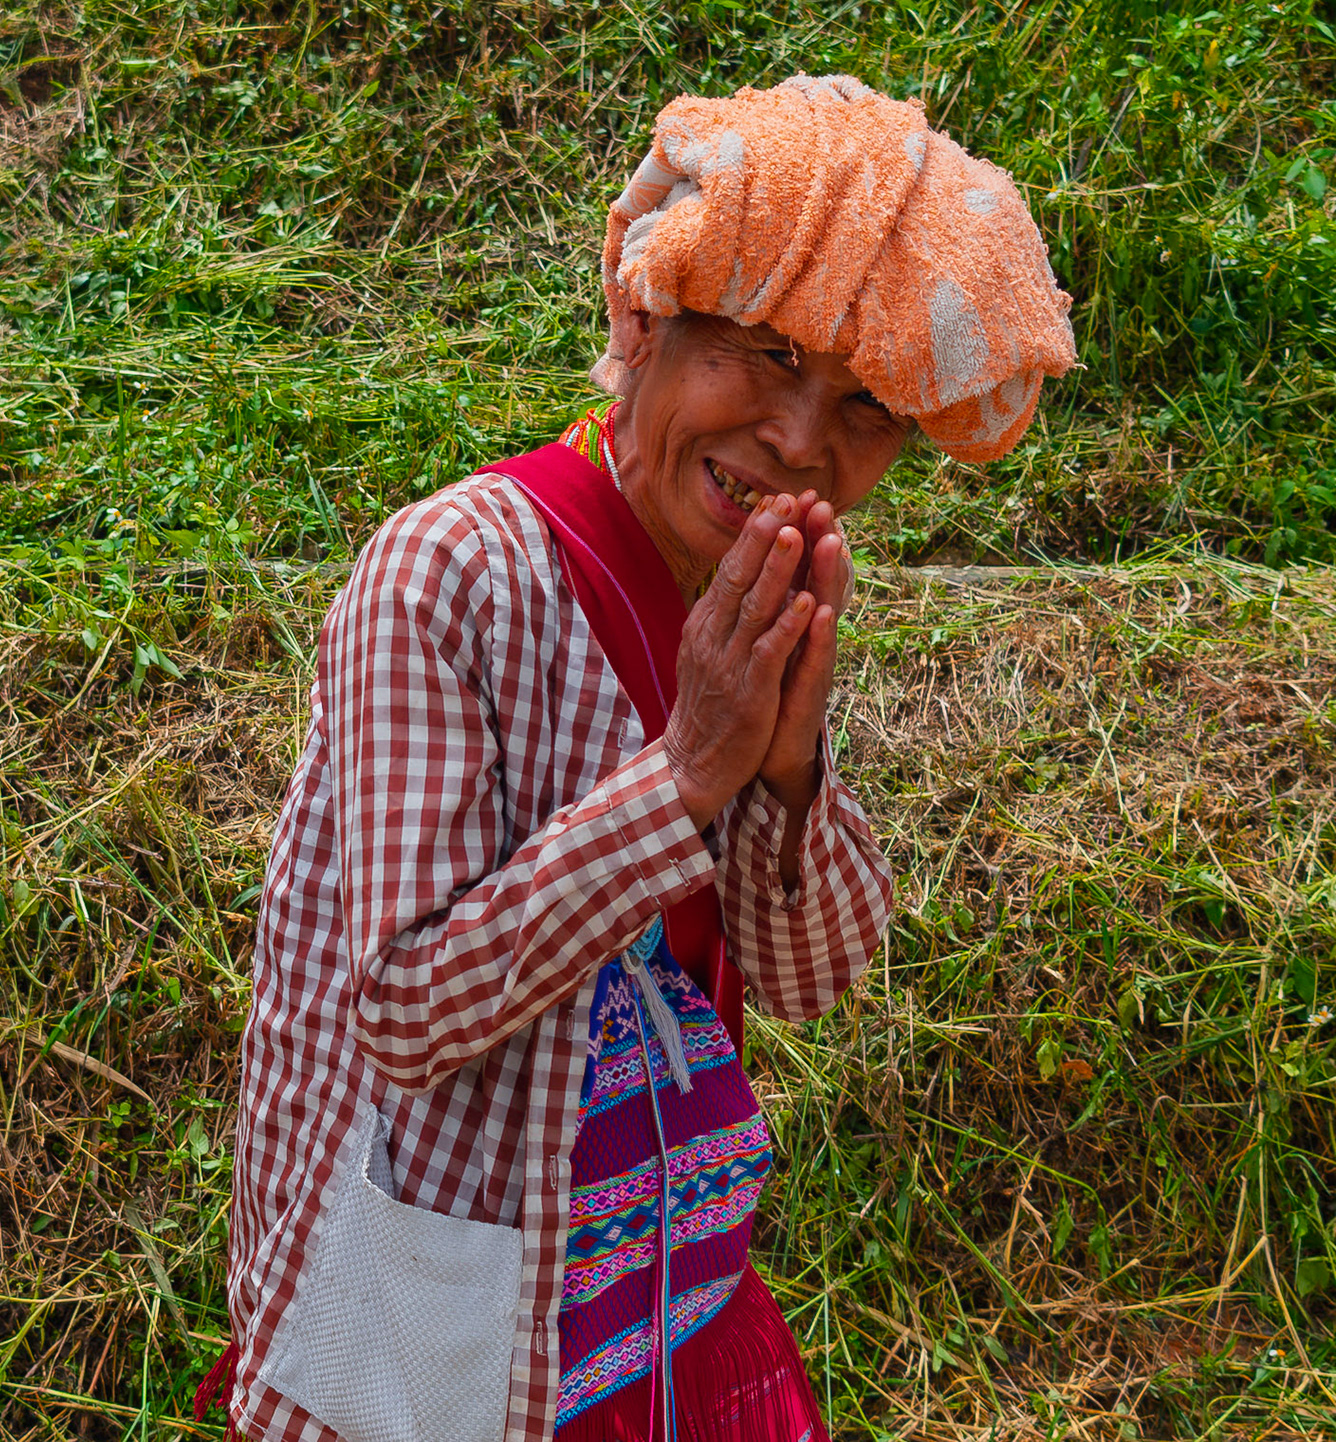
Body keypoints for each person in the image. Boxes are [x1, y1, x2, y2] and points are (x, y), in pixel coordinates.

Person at [212, 75, 1075, 1442]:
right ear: (648, 318)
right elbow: (400, 1006)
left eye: (865, 411)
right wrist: (682, 779)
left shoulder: (750, 594)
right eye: (768, 354)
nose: (801, 442)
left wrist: (785, 769)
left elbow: (806, 977)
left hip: (652, 1291)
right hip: (440, 1304)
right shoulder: (452, 575)